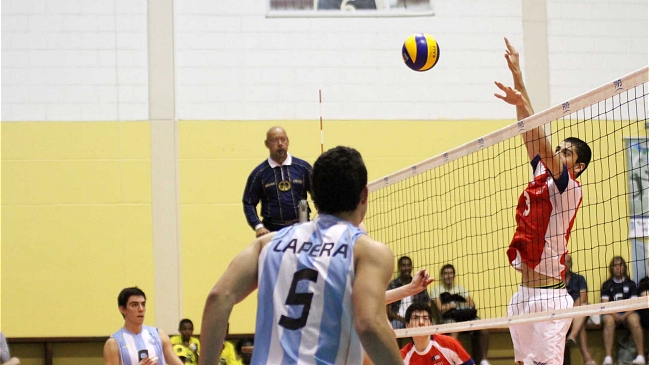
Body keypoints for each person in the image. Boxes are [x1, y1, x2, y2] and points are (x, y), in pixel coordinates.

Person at [199, 146, 404, 365]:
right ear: (364, 194)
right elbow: (369, 324)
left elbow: (218, 298)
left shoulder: (266, 244)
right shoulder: (367, 251)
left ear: (313, 195)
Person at [494, 37, 592, 365]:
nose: (559, 154)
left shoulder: (569, 188)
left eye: (568, 153)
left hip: (550, 300)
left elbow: (543, 144)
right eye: (560, 149)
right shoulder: (543, 176)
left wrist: (524, 104)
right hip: (523, 297)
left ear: (577, 166)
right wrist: (518, 79)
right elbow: (530, 133)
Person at [242, 126, 312, 237]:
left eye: (283, 139)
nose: (280, 143)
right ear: (266, 144)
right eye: (274, 140)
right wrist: (258, 226)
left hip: (302, 229)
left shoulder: (303, 168)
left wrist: (323, 218)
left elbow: (320, 194)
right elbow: (249, 202)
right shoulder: (259, 174)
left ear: (288, 142)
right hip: (272, 231)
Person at [103, 287, 183, 365]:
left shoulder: (159, 335)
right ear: (123, 309)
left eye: (143, 304)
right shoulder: (114, 343)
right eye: (134, 305)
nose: (141, 309)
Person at [430, 264, 490, 365]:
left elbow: (471, 304)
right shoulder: (436, 290)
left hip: (464, 317)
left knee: (484, 328)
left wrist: (453, 305)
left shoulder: (461, 288)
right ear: (442, 276)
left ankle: (483, 360)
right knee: (454, 329)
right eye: (445, 274)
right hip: (447, 319)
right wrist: (454, 306)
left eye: (450, 273)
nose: (448, 276)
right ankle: (453, 361)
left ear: (454, 275)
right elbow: (441, 308)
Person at [600, 256, 645, 365]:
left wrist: (625, 315)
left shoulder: (631, 284)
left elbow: (634, 305)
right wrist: (615, 315)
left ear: (624, 267)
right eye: (615, 265)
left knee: (634, 320)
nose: (617, 268)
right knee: (609, 321)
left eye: (620, 265)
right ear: (611, 268)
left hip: (628, 312)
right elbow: (605, 305)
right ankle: (608, 357)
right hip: (612, 313)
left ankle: (641, 355)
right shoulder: (607, 285)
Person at [399, 302, 475, 365]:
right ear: (407, 325)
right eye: (416, 318)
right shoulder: (402, 357)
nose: (421, 322)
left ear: (431, 324)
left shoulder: (448, 344)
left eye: (425, 318)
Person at [563, 254, 595, 365]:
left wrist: (573, 309)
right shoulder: (554, 281)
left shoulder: (579, 279)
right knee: (580, 325)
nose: (565, 265)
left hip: (577, 312)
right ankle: (587, 358)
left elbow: (583, 296)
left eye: (567, 262)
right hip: (562, 315)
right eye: (562, 262)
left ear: (571, 264)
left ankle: (572, 335)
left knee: (585, 305)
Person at [387, 256, 432, 330]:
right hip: (398, 319)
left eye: (408, 265)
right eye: (403, 265)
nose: (406, 268)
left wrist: (418, 317)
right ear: (399, 268)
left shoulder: (419, 283)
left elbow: (427, 305)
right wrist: (403, 320)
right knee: (393, 327)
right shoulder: (393, 284)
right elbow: (388, 311)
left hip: (417, 317)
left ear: (411, 267)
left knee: (429, 325)